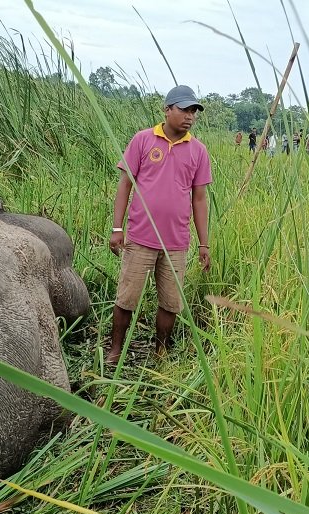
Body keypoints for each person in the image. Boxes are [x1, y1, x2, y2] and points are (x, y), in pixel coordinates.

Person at [106, 85, 212, 366]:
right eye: (184, 109)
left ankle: (160, 352)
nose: (190, 116)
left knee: (171, 302)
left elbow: (199, 199)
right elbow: (125, 184)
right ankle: (115, 350)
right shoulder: (143, 140)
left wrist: (204, 243)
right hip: (140, 237)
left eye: (194, 111)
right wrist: (118, 229)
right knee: (126, 298)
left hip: (176, 242)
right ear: (167, 109)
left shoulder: (198, 151)